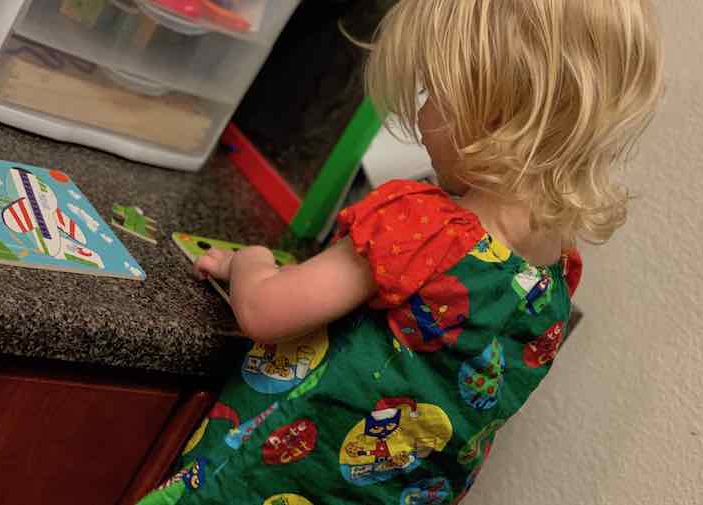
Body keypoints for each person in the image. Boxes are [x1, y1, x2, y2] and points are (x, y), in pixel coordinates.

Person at [139, 1, 663, 503]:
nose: (423, 107)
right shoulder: (554, 280)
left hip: (251, 487)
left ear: (490, 107)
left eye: (433, 90)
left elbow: (263, 311)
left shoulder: (425, 224)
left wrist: (248, 260)